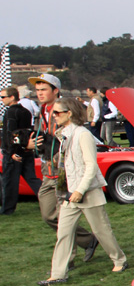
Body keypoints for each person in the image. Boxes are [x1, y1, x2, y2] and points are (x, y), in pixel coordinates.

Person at [37, 97, 127, 285]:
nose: (54, 116)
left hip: (87, 192)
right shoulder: (64, 134)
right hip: (69, 193)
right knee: (64, 233)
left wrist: (80, 189)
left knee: (101, 231)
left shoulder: (82, 134)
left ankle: (119, 260)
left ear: (69, 113)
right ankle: (58, 273)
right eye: (53, 113)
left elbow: (91, 166)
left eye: (57, 113)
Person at [25, 74, 98, 263]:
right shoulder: (41, 111)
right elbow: (41, 136)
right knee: (49, 215)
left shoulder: (65, 110)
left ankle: (67, 260)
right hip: (47, 170)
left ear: (55, 90)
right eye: (38, 90)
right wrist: (30, 144)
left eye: (43, 90)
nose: (39, 93)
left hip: (62, 171)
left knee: (64, 217)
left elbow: (72, 136)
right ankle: (89, 240)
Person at [2, 86, 41, 214]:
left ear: (12, 97)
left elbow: (11, 133)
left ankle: (7, 209)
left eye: (3, 97)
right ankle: (49, 200)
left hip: (15, 151)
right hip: (26, 149)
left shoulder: (10, 112)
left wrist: (12, 151)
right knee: (32, 178)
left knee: (10, 181)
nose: (2, 100)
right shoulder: (26, 112)